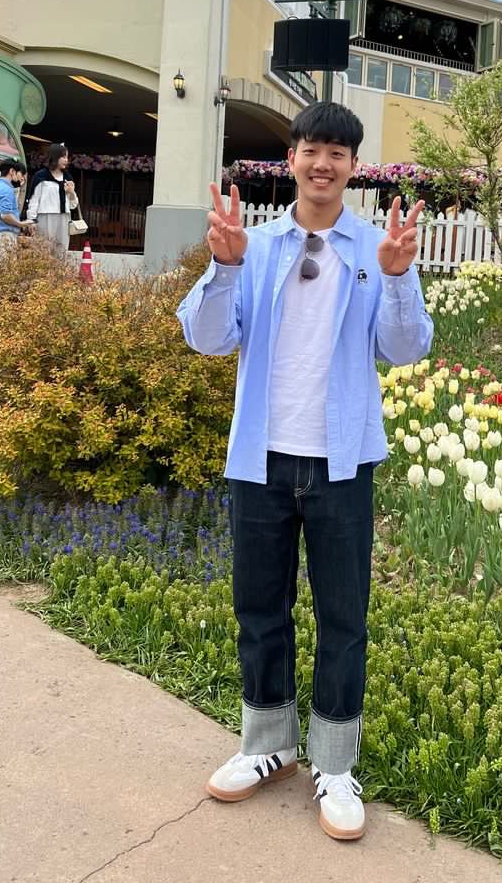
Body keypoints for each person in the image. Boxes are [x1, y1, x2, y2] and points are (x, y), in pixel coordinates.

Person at [178, 101, 433, 843]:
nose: (324, 164)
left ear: (354, 167)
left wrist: (397, 278)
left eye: (339, 154)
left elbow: (406, 347)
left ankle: (335, 763)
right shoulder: (252, 246)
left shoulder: (376, 247)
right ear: (290, 159)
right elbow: (207, 338)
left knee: (343, 618)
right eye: (312, 150)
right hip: (260, 458)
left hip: (341, 461)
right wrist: (222, 267)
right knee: (260, 609)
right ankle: (267, 747)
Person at [23, 143, 79, 257]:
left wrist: (71, 192)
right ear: (55, 157)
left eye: (67, 157)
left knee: (62, 250)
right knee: (44, 249)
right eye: (63, 157)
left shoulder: (68, 177)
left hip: (64, 217)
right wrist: (31, 220)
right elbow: (34, 200)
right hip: (45, 217)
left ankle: (59, 274)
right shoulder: (41, 176)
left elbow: (73, 205)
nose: (66, 160)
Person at [0, 159, 33, 256]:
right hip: (4, 238)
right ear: (12, 171)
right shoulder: (7, 189)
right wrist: (21, 224)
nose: (22, 178)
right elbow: (5, 215)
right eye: (21, 174)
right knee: (5, 270)